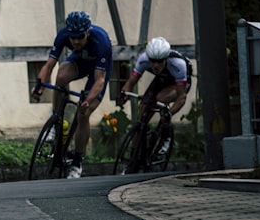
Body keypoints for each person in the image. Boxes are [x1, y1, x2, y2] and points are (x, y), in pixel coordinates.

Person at [31, 10, 114, 179]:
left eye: (80, 37)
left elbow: (99, 81)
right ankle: (56, 122)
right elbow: (49, 65)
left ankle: (77, 162)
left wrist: (87, 100)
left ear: (88, 33)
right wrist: (39, 86)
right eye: (72, 37)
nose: (75, 41)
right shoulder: (63, 35)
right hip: (81, 62)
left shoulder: (101, 41)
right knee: (61, 75)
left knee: (83, 113)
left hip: (99, 71)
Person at [116, 36, 192, 156]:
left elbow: (181, 97)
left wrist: (169, 113)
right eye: (152, 61)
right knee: (142, 110)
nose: (155, 65)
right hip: (161, 80)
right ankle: (134, 154)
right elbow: (130, 83)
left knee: (161, 99)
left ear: (166, 58)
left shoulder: (178, 64)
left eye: (160, 61)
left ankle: (165, 136)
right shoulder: (144, 59)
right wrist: (123, 94)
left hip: (178, 84)